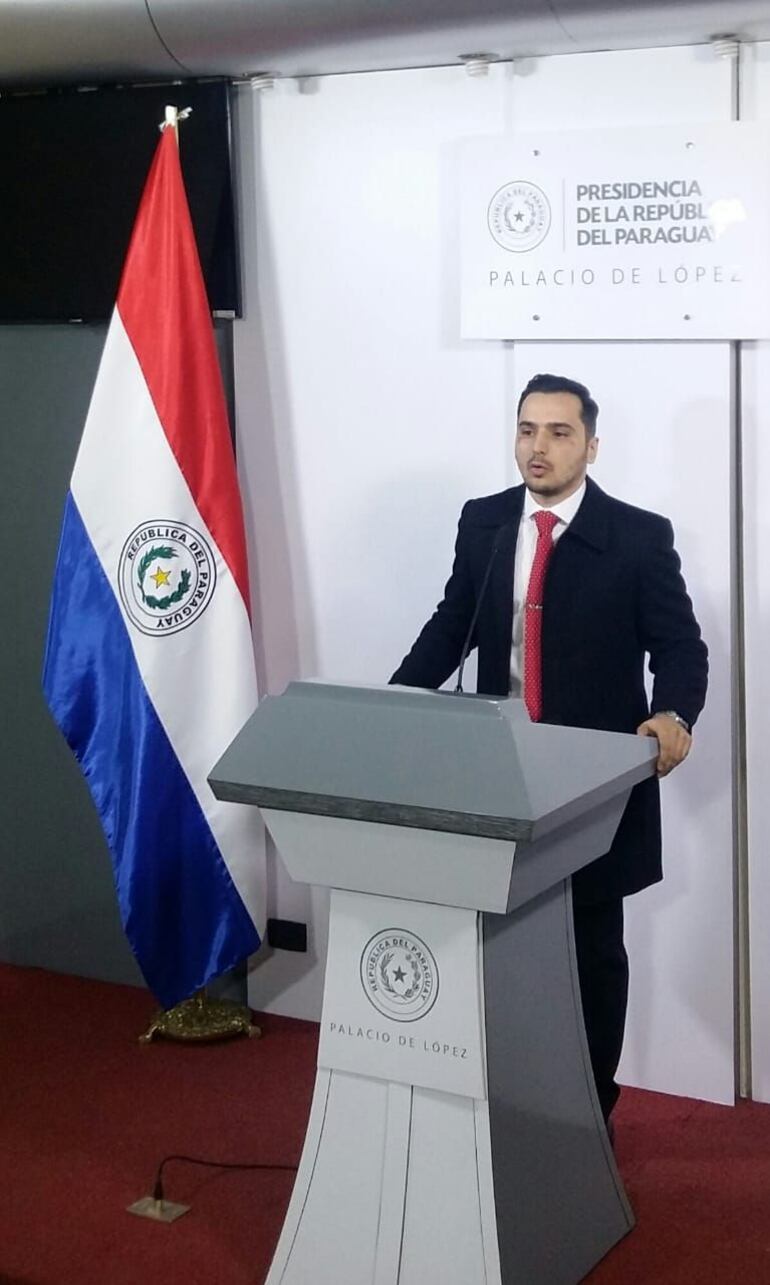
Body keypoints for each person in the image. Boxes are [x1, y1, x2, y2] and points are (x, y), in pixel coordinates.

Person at [390, 372, 708, 1125]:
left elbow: (680, 646)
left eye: (560, 433)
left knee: (591, 950)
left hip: (591, 779)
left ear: (591, 446)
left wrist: (672, 714)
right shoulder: (486, 522)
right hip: (496, 770)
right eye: (527, 429)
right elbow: (453, 624)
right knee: (496, 943)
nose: (539, 447)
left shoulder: (637, 536)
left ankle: (590, 1118)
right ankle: (501, 1109)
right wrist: (395, 702)